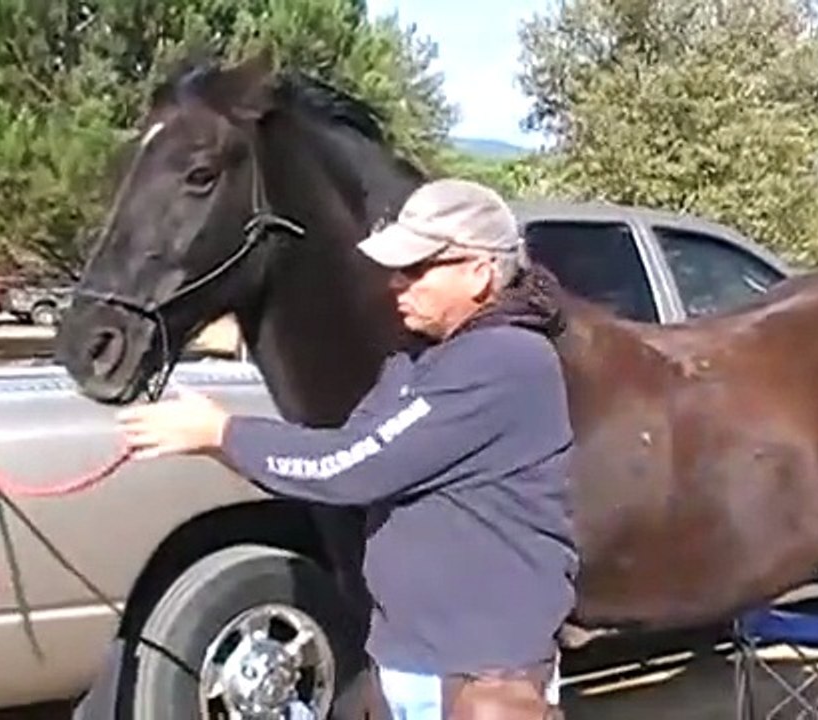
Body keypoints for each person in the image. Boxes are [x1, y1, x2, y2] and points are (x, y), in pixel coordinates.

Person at [116, 178, 580, 719]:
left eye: (417, 268)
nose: (396, 285)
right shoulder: (421, 358)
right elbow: (352, 448)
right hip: (413, 661)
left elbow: (352, 464)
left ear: (479, 273)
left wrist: (223, 433)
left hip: (480, 677)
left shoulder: (504, 362)